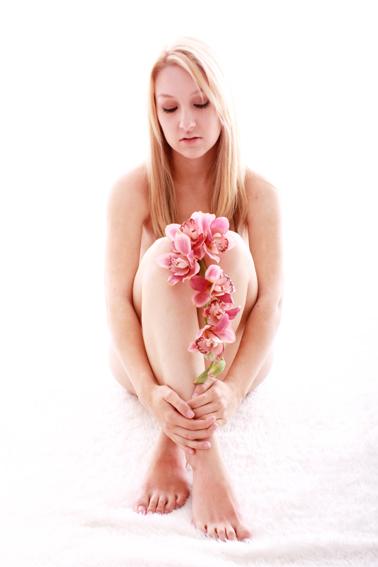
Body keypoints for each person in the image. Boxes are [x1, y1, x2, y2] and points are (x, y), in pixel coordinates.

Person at [105, 36, 284, 542]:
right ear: (155, 114)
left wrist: (233, 389)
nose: (186, 121)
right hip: (145, 355)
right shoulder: (131, 191)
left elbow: (269, 305)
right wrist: (149, 391)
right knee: (167, 254)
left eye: (201, 104)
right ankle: (204, 459)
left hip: (228, 356)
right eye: (170, 107)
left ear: (222, 105)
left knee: (224, 247)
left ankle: (174, 442)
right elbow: (118, 305)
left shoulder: (258, 194)